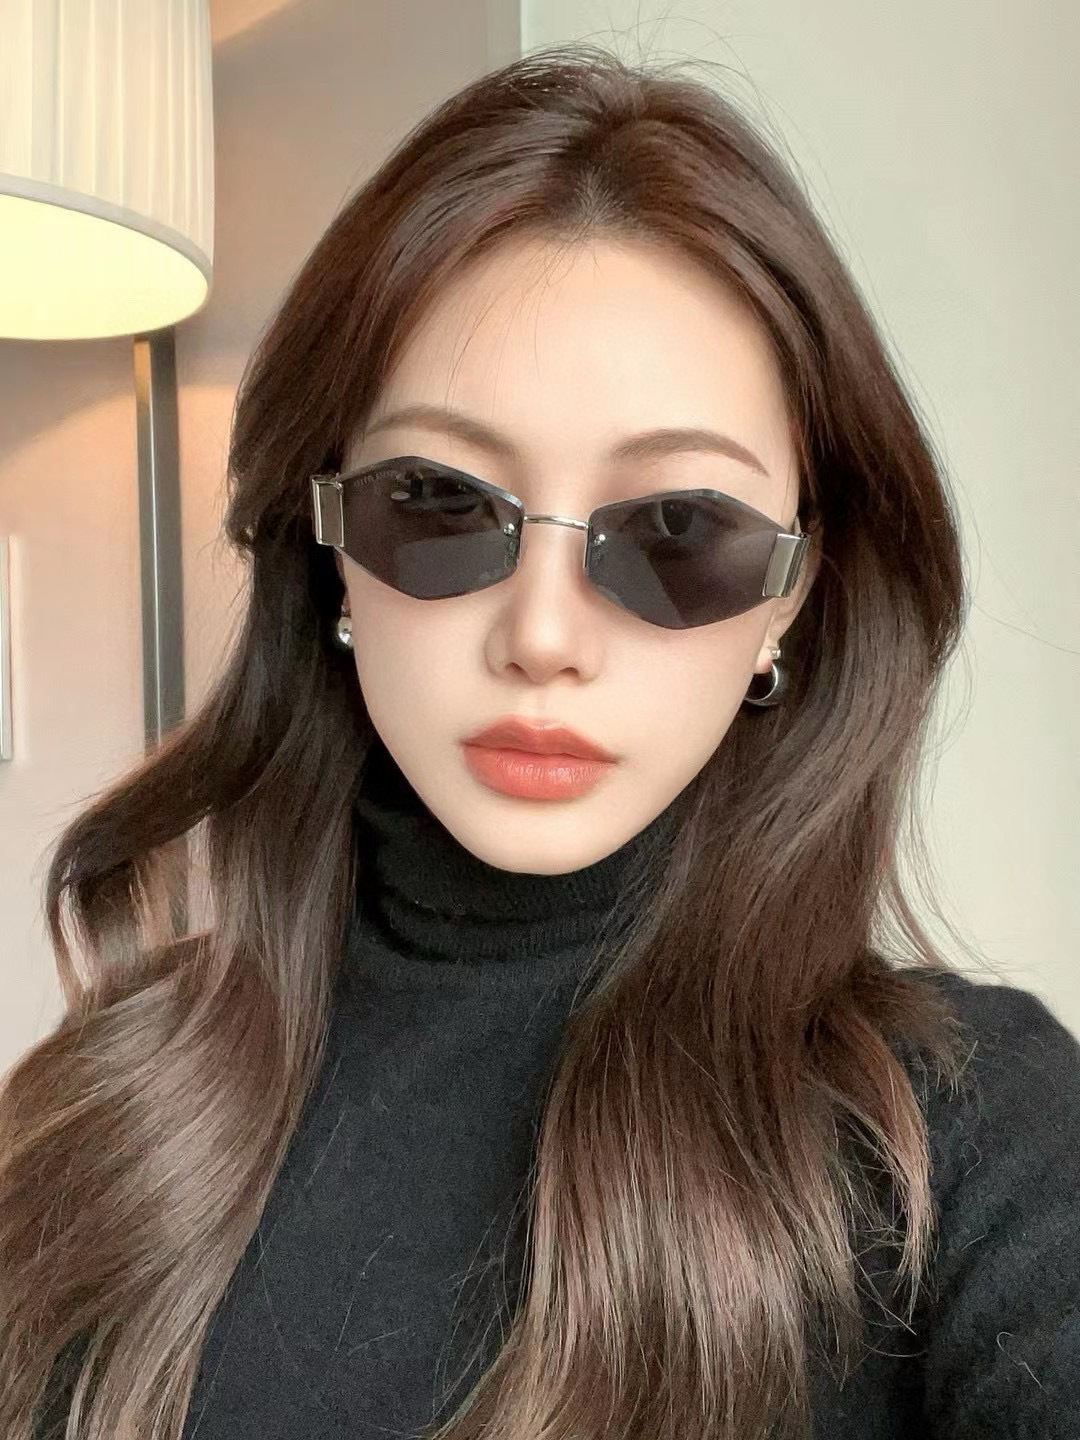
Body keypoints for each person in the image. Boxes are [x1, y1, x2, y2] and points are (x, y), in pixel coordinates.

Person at [3, 43, 1078, 1440]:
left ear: (790, 595)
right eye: (441, 503)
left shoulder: (966, 1138)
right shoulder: (115, 1089)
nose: (544, 633)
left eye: (680, 529)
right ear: (330, 547)